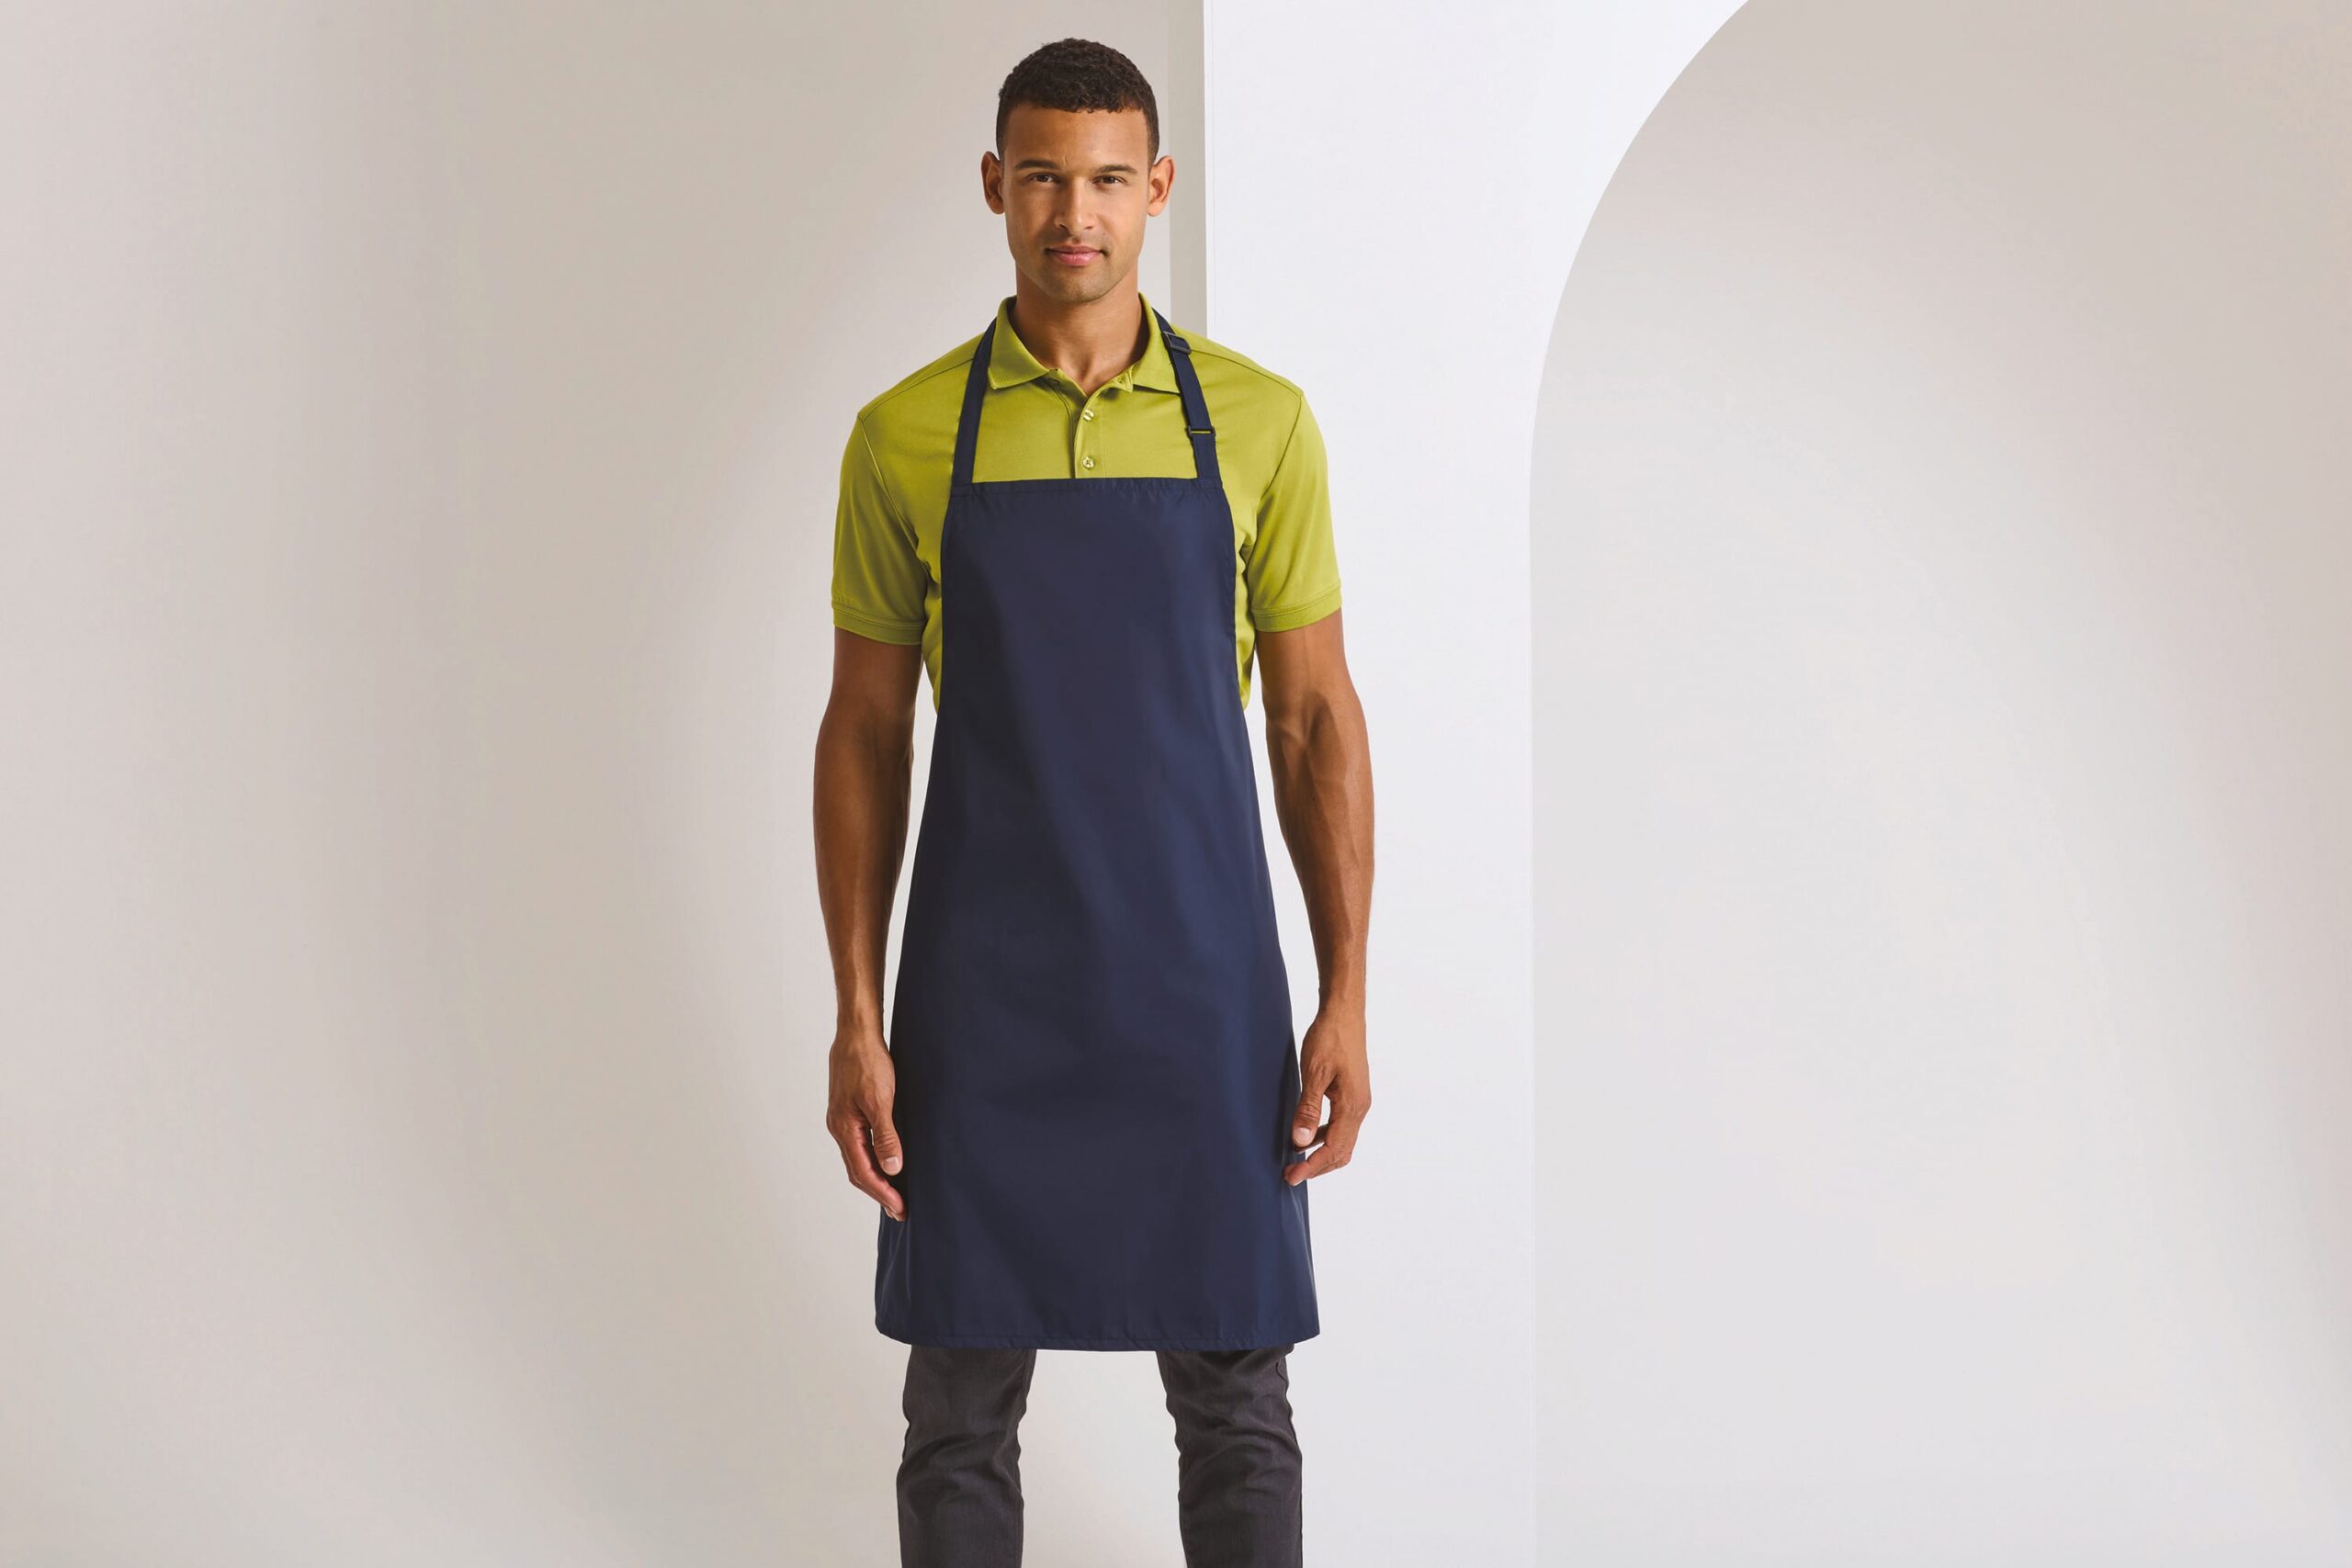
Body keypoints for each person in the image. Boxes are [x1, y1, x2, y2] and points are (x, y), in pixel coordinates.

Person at [812, 37, 1374, 1568]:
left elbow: (1315, 721)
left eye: (1110, 179)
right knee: (957, 1407)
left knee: (1238, 1396)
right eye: (1047, 178)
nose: (1078, 213)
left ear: (1159, 189)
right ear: (996, 185)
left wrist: (1344, 994)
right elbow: (865, 733)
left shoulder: (1260, 422)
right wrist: (858, 1013)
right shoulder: (902, 434)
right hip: (983, 998)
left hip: (1203, 992)